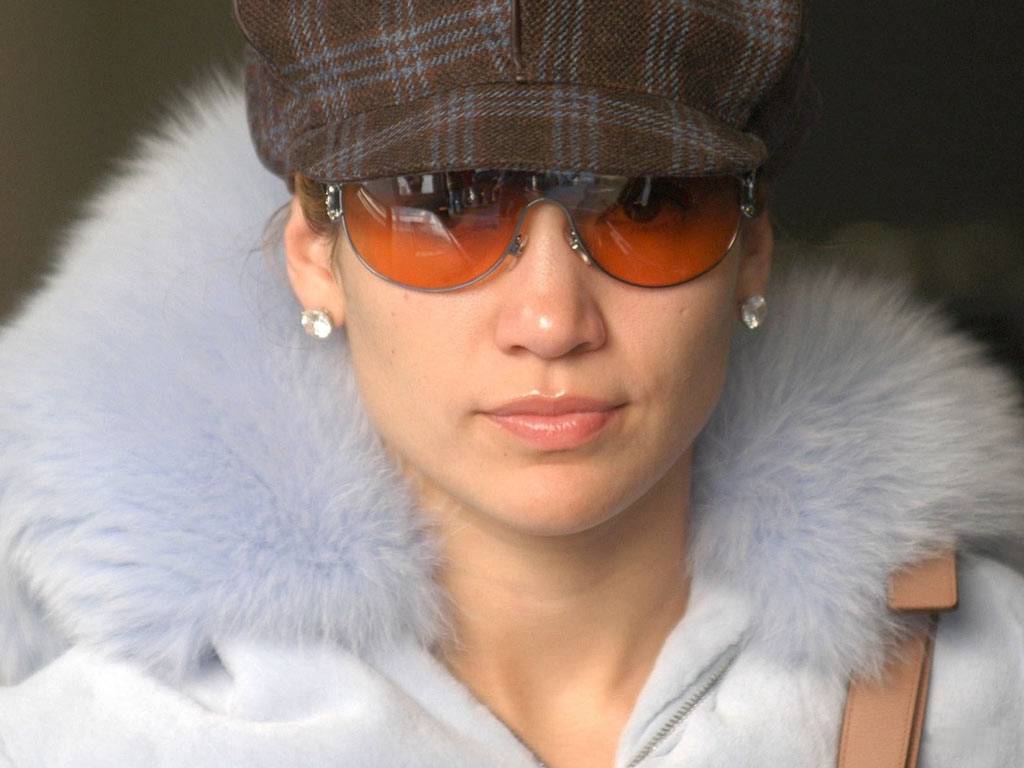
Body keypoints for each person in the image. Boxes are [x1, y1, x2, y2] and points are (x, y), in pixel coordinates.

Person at [1, 1, 1022, 766]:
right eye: (444, 208)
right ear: (315, 256)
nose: (551, 322)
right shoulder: (91, 743)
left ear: (751, 249)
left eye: (648, 206)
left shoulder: (992, 694)